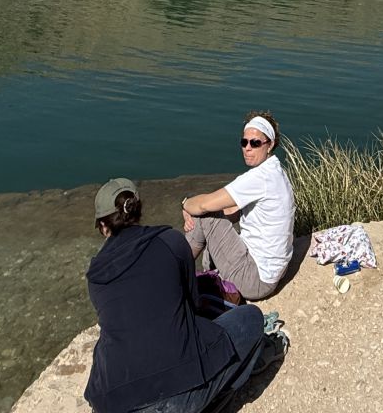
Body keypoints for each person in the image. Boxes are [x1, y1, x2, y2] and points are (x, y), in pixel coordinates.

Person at [85, 178, 269, 413]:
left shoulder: (96, 275)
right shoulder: (171, 242)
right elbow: (193, 307)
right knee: (251, 318)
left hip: (114, 404)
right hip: (180, 394)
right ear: (139, 210)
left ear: (103, 226)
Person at [182, 113, 296, 302]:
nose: (248, 149)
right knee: (209, 215)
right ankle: (206, 276)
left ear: (270, 144)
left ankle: (172, 271)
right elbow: (231, 212)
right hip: (268, 272)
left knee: (205, 216)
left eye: (255, 143)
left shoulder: (260, 178)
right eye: (244, 143)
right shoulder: (275, 172)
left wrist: (186, 204)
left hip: (255, 280)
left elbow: (203, 205)